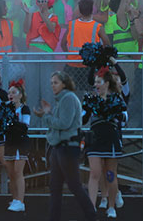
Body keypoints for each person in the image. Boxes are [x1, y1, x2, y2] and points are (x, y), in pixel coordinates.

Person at [34, 71, 98, 221]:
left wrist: (46, 116)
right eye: (51, 83)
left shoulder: (68, 98)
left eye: (55, 82)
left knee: (74, 185)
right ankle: (54, 217)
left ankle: (91, 215)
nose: (52, 86)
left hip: (68, 147)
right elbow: (58, 122)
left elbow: (64, 123)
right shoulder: (61, 100)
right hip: (59, 147)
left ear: (64, 83)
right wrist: (48, 113)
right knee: (55, 186)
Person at [84, 68, 127, 218]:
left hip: (110, 138)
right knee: (94, 172)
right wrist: (85, 109)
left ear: (107, 83)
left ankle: (111, 206)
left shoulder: (116, 99)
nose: (96, 85)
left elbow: (124, 117)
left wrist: (114, 112)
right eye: (95, 82)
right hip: (95, 137)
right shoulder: (91, 99)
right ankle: (91, 207)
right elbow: (83, 119)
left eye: (99, 82)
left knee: (110, 175)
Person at [3, 79, 31, 213]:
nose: (10, 95)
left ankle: (21, 201)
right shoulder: (5, 109)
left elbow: (25, 126)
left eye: (14, 92)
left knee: (18, 172)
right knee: (11, 173)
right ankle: (15, 199)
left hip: (20, 143)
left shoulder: (24, 108)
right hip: (9, 142)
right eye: (9, 93)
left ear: (20, 94)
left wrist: (11, 123)